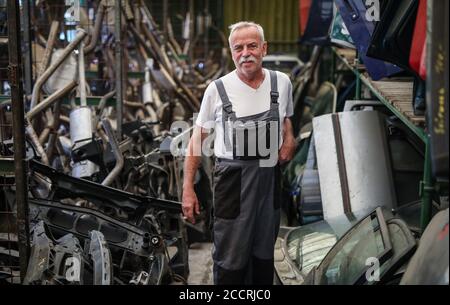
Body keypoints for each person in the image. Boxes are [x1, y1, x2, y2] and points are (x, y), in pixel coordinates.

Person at [182, 21, 296, 285]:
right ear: (231, 53)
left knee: (264, 254)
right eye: (238, 48)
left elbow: (287, 117)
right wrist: (188, 188)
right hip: (232, 184)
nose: (246, 53)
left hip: (268, 180)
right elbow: (196, 141)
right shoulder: (217, 90)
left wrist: (288, 138)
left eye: (252, 46)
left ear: (264, 48)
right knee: (231, 258)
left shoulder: (282, 83)